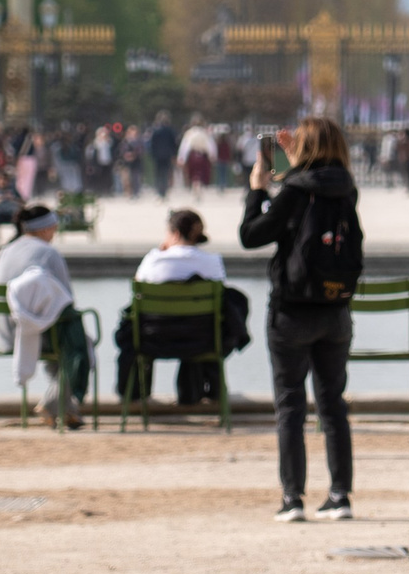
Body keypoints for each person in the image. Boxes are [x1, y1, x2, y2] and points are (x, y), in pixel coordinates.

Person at [241, 115, 362, 522]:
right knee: (333, 405)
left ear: (303, 148)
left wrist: (258, 190)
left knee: (290, 405)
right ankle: (340, 495)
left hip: (292, 310)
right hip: (335, 309)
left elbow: (251, 235)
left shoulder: (293, 190)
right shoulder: (347, 189)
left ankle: (293, 498)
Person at [116, 208, 250, 406]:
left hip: (153, 339)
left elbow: (136, 295)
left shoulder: (153, 260)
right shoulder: (213, 262)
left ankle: (136, 393)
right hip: (202, 339)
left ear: (175, 233)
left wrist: (160, 254)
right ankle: (203, 388)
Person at [0, 202, 90, 427]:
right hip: (36, 334)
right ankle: (53, 403)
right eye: (55, 227)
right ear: (46, 228)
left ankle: (67, 410)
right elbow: (67, 300)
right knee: (79, 344)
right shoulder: (49, 253)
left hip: (6, 332)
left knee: (63, 343)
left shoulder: (6, 251)